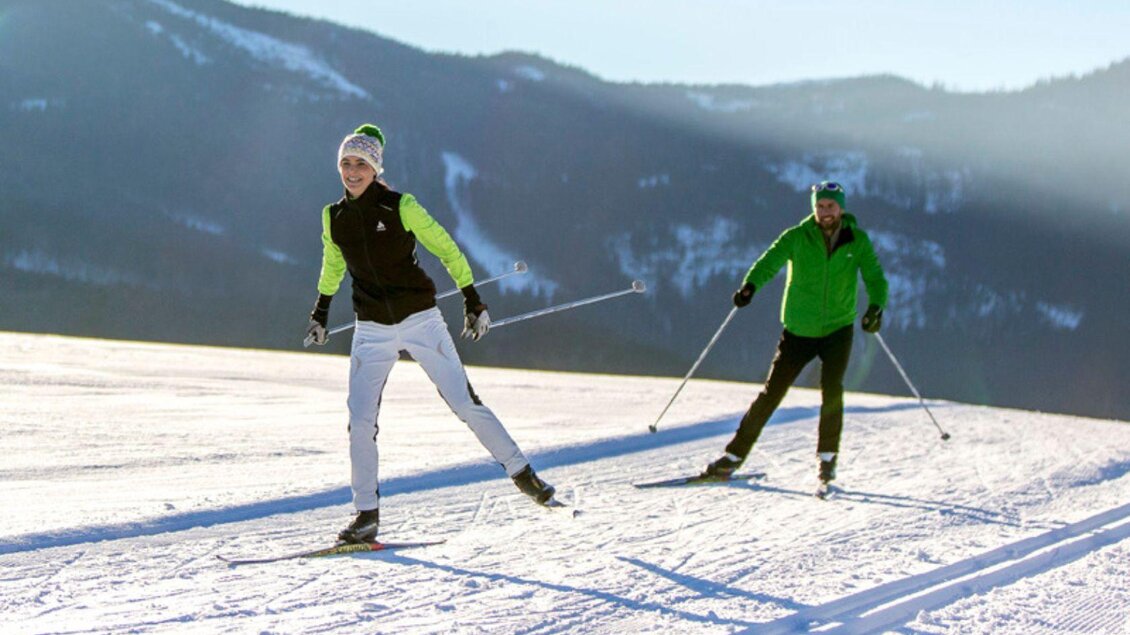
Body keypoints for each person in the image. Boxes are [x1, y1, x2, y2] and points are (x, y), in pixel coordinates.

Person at [306, 124, 555, 544]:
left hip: (421, 320)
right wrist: (320, 312)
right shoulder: (334, 217)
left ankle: (524, 475)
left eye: (361, 164)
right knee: (360, 421)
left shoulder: (401, 207)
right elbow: (333, 264)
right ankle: (365, 516)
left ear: (375, 168)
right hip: (370, 329)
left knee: (464, 403)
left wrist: (473, 301)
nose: (352, 171)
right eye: (346, 163)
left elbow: (446, 248)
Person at [704, 181, 888, 486]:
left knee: (832, 391)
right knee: (771, 394)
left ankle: (827, 459)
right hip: (798, 330)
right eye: (820, 206)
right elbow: (769, 262)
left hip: (838, 329)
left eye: (830, 206)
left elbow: (875, 278)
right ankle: (734, 456)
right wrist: (750, 286)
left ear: (841, 208)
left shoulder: (857, 240)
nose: (825, 211)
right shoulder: (797, 237)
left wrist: (876, 308)